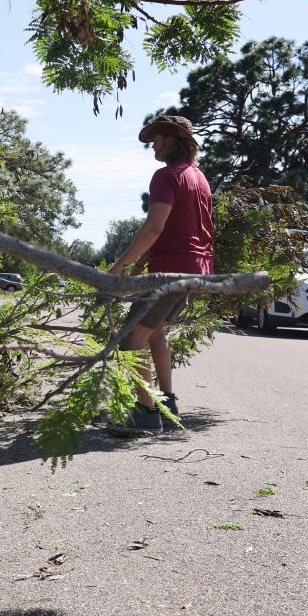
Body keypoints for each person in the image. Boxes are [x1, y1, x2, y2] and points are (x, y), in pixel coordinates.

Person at [107, 114, 215, 433]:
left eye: (156, 139)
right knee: (155, 333)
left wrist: (120, 265)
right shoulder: (199, 177)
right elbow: (179, 229)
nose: (153, 144)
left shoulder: (166, 176)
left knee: (131, 337)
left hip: (171, 271)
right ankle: (167, 403)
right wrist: (141, 264)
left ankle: (145, 412)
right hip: (197, 271)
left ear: (170, 140)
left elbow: (155, 227)